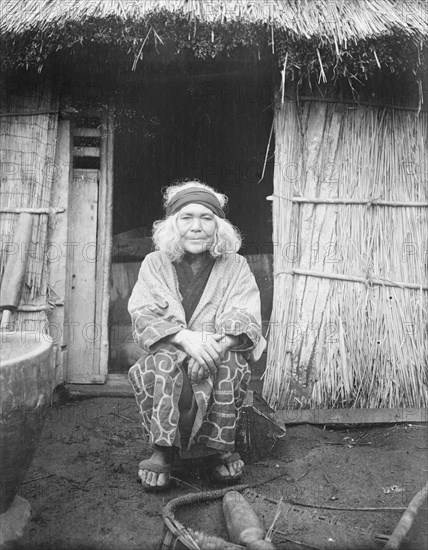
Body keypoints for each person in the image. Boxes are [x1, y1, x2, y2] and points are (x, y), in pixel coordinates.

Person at [128, 180, 266, 491]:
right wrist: (185, 339)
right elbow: (144, 315)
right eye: (186, 217)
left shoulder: (235, 265)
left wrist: (215, 348)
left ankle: (220, 449)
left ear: (218, 227)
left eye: (206, 218)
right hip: (173, 352)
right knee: (161, 360)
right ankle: (162, 451)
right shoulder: (155, 263)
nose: (197, 227)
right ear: (173, 225)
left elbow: (245, 316)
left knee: (231, 361)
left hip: (217, 351)